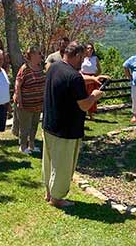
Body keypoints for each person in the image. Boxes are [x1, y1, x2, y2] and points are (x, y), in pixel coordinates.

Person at [42, 41, 106, 208]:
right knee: (63, 165)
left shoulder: (54, 67)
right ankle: (57, 198)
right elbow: (84, 105)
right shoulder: (74, 76)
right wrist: (95, 95)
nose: (83, 61)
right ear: (77, 55)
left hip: (49, 124)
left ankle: (49, 192)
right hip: (66, 129)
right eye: (82, 57)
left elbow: (69, 81)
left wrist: (92, 78)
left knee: (49, 162)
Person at [13, 46, 46, 154]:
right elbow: (18, 86)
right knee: (25, 126)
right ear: (31, 55)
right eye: (38, 53)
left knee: (34, 125)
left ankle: (32, 144)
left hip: (37, 104)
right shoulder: (24, 68)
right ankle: (23, 146)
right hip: (25, 105)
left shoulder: (41, 67)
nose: (40, 55)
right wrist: (19, 101)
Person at [80, 43, 102, 120]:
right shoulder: (82, 58)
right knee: (82, 96)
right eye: (88, 48)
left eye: (91, 48)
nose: (90, 50)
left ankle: (91, 114)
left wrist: (95, 76)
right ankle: (82, 113)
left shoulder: (95, 58)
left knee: (92, 96)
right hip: (83, 78)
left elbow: (99, 69)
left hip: (93, 78)